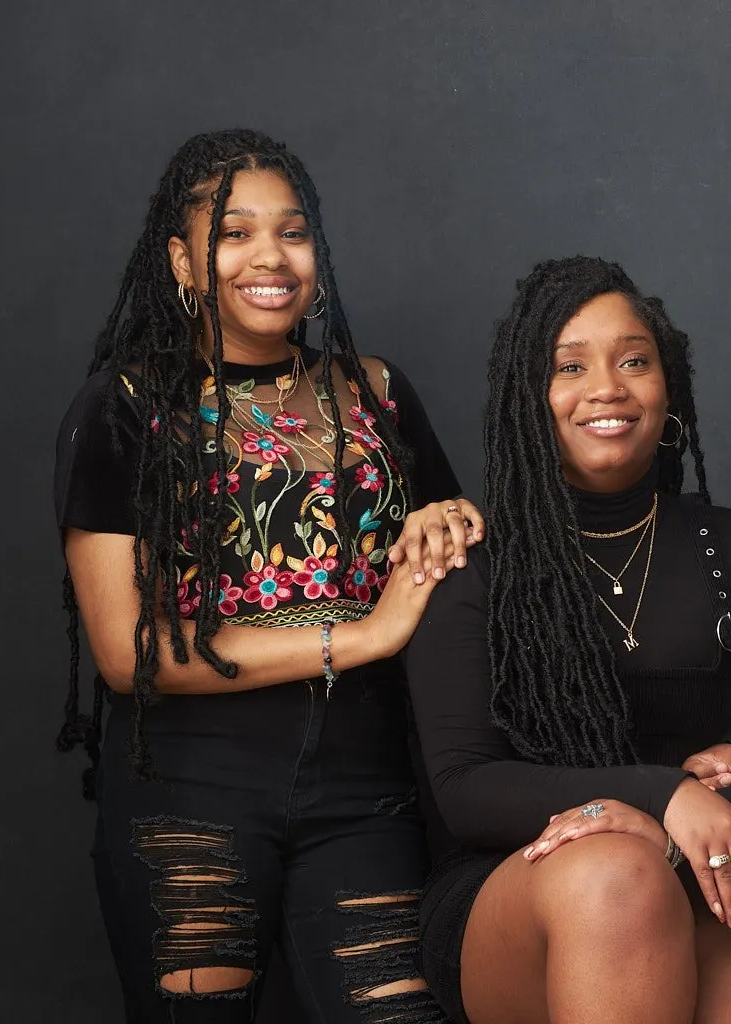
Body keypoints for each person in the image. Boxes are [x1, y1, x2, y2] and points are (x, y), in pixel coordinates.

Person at [54, 128, 479, 1022]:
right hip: (191, 792)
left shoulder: (378, 392)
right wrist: (362, 633)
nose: (269, 257)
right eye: (234, 233)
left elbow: (446, 569)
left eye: (293, 231)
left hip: (370, 793)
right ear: (182, 260)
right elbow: (128, 653)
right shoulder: (127, 406)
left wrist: (452, 521)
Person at [402, 256, 731, 1023]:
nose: (606, 387)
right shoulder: (469, 562)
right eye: (568, 366)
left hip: (694, 874)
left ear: (667, 386)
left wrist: (669, 834)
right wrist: (664, 793)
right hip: (517, 890)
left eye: (634, 361)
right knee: (616, 872)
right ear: (527, 399)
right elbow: (466, 788)